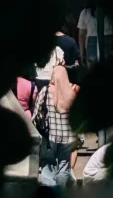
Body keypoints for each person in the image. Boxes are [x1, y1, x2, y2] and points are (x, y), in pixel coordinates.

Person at [36, 47, 79, 187]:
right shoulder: (72, 93)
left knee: (47, 165)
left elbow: (37, 112)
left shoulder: (46, 91)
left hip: (49, 137)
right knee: (64, 167)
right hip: (67, 137)